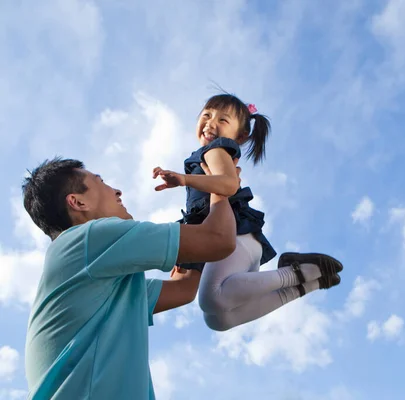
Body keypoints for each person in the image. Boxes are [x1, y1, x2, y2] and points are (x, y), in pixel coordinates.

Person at [22, 157, 238, 399]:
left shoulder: (104, 284)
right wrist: (217, 186)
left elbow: (184, 289)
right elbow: (219, 239)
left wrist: (200, 207)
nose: (116, 190)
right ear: (78, 202)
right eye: (100, 181)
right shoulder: (88, 238)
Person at [152, 93, 343, 331]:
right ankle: (309, 282)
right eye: (207, 115)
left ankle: (295, 273)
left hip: (235, 236)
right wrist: (188, 259)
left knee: (212, 299)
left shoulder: (214, 149)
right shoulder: (207, 152)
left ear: (240, 136)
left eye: (223, 120)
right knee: (218, 319)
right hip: (239, 245)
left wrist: (182, 179)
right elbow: (202, 214)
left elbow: (227, 184)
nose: (211, 123)